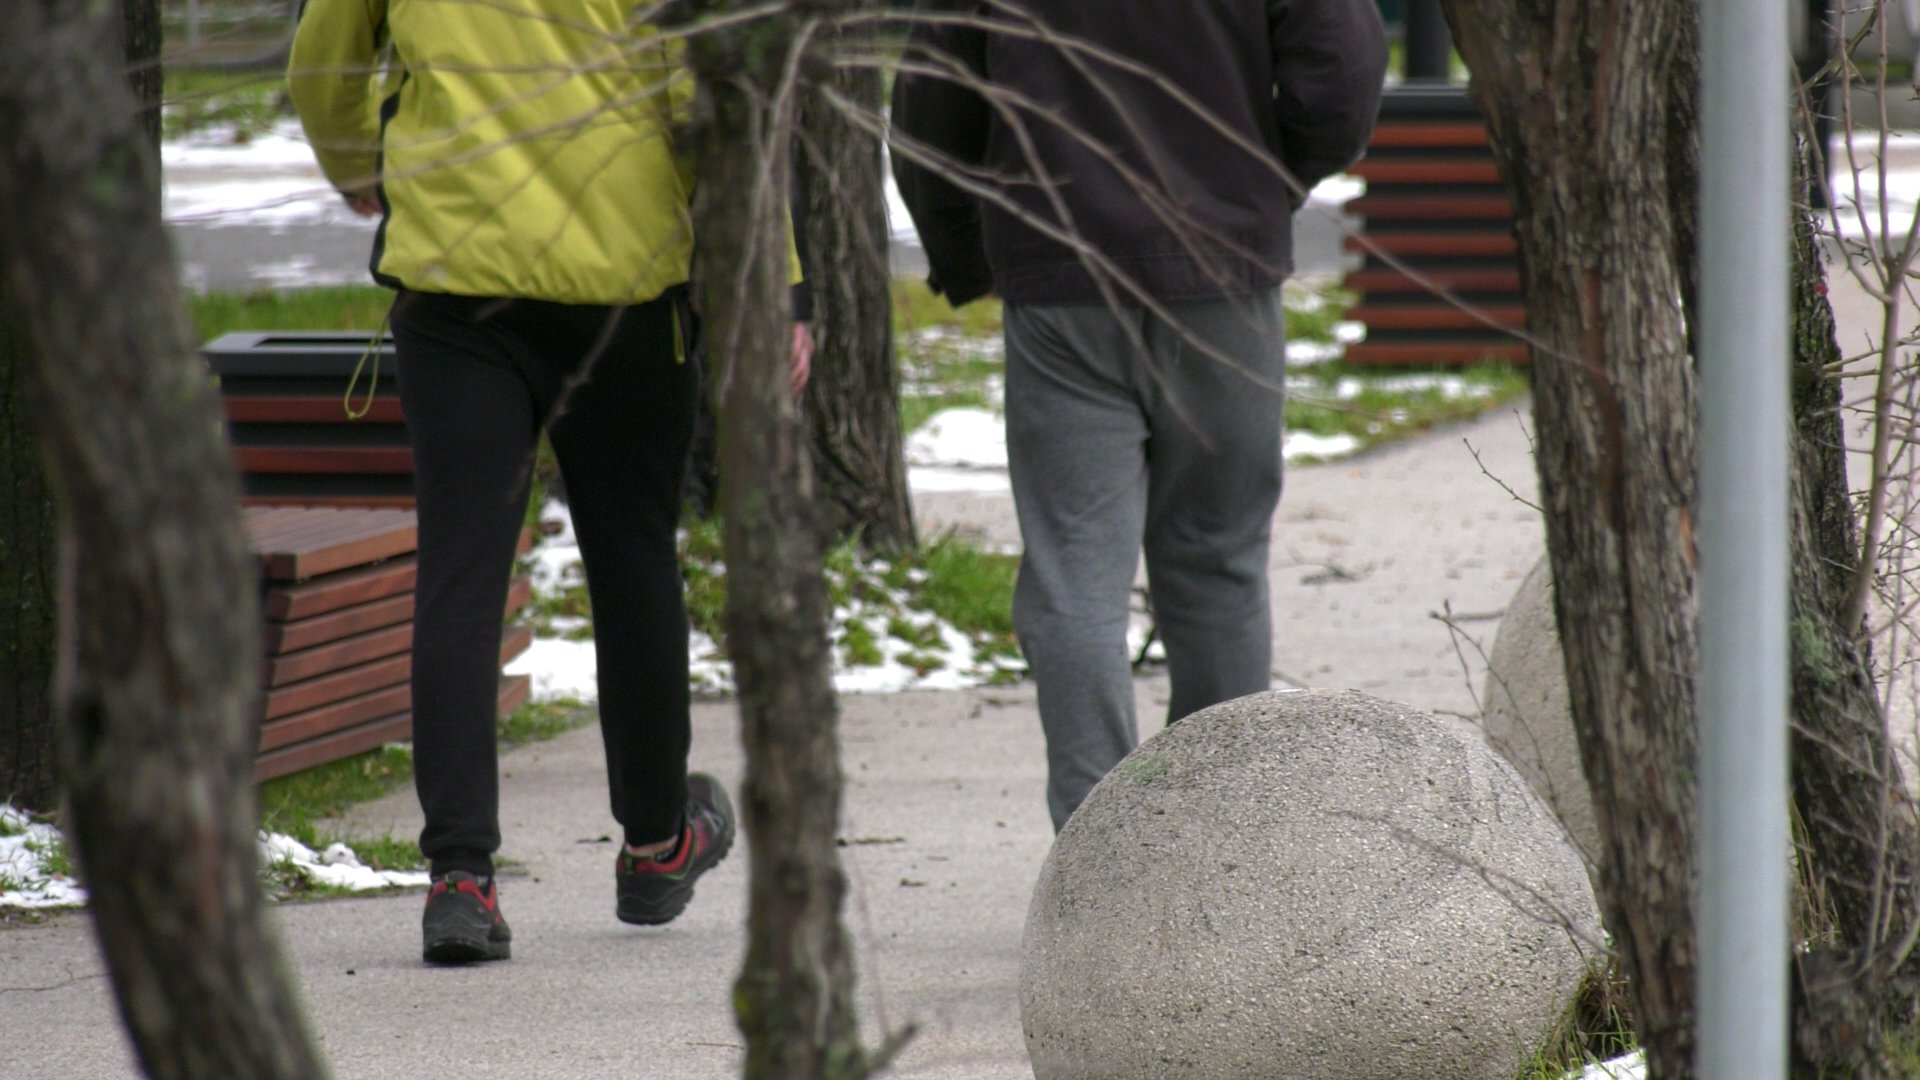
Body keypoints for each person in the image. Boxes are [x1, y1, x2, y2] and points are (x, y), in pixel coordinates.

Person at [288, 0, 809, 962]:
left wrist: (360, 162)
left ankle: (459, 876)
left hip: (455, 283)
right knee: (634, 562)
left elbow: (323, 63)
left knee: (460, 573)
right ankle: (657, 844)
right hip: (623, 288)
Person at [891, 0, 1387, 830]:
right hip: (1221, 278)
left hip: (1062, 277)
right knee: (1218, 563)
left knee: (1076, 575)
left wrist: (965, 249)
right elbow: (1342, 70)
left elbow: (932, 101)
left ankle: (1094, 853)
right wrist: (1260, 184)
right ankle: (1220, 840)